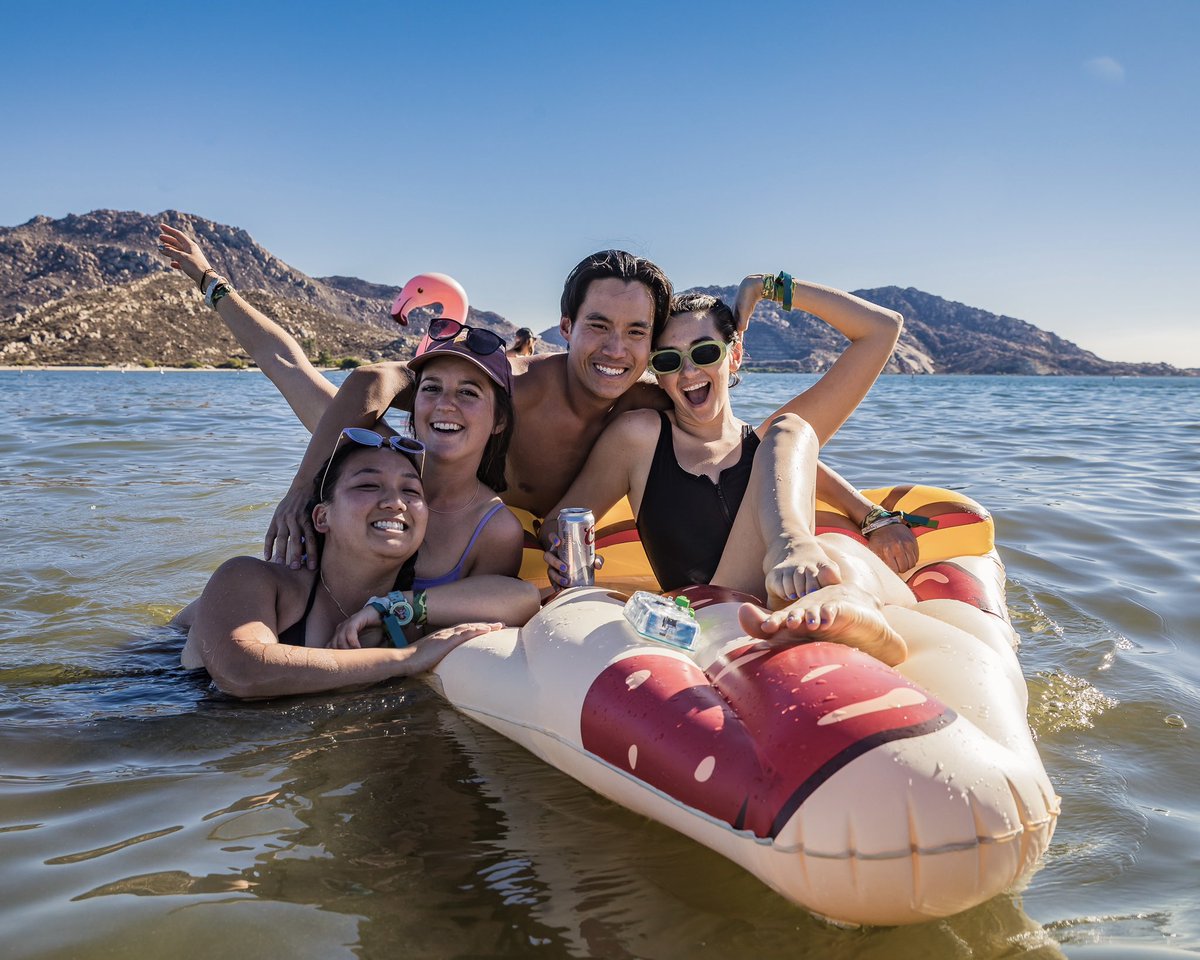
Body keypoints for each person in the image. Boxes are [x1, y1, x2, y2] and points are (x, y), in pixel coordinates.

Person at [540, 284, 918, 665]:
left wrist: (769, 287)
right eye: (668, 361)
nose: (688, 371)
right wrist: (563, 553)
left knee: (801, 462)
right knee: (788, 430)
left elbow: (883, 329)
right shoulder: (640, 438)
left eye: (704, 352)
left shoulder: (768, 450)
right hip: (716, 607)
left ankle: (840, 593)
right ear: (658, 373)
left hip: (793, 588)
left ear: (734, 355)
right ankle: (804, 561)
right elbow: (561, 520)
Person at [158, 224, 526, 586]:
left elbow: (485, 613)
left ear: (499, 420)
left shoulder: (494, 532)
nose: (446, 404)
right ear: (414, 405)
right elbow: (285, 364)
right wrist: (210, 282)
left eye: (468, 393)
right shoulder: (362, 443)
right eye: (431, 388)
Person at [178, 430, 541, 699]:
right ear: (322, 517)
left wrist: (395, 606)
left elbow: (523, 599)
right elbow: (243, 673)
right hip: (162, 694)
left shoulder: (401, 617)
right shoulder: (254, 580)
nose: (395, 502)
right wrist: (405, 659)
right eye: (368, 486)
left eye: (411, 491)